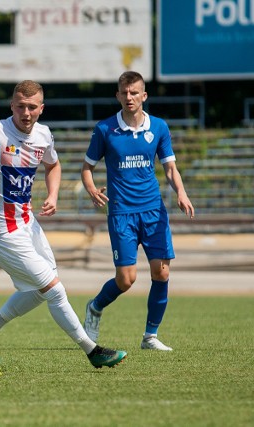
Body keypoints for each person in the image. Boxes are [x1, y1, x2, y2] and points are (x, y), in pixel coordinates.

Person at [0, 80, 127, 369]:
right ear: (12, 105)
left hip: (28, 224)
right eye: (20, 106)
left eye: (32, 107)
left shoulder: (43, 135)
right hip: (1, 230)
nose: (26, 112)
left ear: (41, 109)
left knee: (38, 290)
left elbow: (53, 165)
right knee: (54, 290)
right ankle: (92, 350)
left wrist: (53, 194)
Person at [81, 71, 195, 351]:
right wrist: (92, 189)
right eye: (124, 92)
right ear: (118, 96)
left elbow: (170, 167)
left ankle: (150, 337)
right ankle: (95, 307)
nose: (129, 97)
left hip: (153, 212)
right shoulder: (105, 129)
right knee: (126, 279)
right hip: (122, 214)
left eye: (135, 93)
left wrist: (180, 191)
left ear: (144, 95)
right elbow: (87, 168)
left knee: (162, 273)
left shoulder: (159, 127)